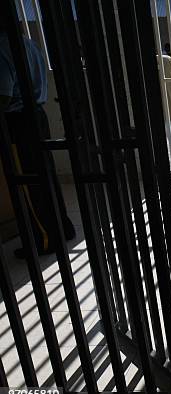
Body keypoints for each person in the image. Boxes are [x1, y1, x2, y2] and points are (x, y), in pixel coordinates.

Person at [0, 18, 75, 258]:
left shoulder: (2, 48)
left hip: (18, 120)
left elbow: (3, 95)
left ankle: (45, 239)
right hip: (37, 115)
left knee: (28, 182)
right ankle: (62, 228)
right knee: (46, 175)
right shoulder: (29, 44)